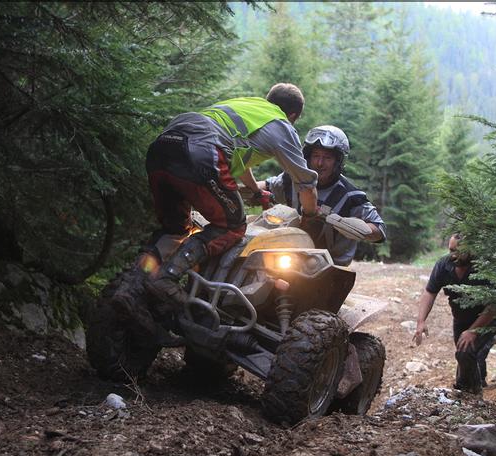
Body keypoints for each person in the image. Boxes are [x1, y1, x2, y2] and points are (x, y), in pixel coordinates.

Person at [128, 83, 320, 310]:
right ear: (293, 115)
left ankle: (133, 285)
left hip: (161, 149)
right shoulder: (281, 126)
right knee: (232, 226)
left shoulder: (246, 106)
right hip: (201, 152)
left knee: (175, 229)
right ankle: (166, 279)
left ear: (269, 99)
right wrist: (310, 215)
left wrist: (257, 192)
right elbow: (305, 183)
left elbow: (237, 155)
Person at [258, 125, 386, 265]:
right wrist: (241, 189)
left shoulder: (352, 196)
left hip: (331, 266)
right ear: (308, 157)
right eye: (316, 156)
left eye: (327, 158)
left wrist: (356, 228)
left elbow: (379, 230)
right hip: (288, 258)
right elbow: (265, 186)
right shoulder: (291, 179)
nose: (319, 163)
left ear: (338, 161)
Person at [412, 234, 496, 394]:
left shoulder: (484, 267)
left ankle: (471, 394)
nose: (453, 255)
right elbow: (429, 293)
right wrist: (421, 321)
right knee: (465, 355)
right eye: (451, 250)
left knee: (466, 352)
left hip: (490, 320)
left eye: (458, 251)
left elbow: (494, 305)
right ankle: (477, 383)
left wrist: (473, 331)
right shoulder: (443, 265)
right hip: (461, 319)